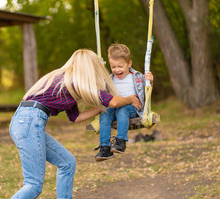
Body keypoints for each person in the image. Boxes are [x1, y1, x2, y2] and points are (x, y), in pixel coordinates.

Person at [9, 49, 141, 199]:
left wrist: (100, 108)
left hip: (25, 121)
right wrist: (130, 99)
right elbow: (114, 101)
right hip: (30, 123)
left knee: (67, 163)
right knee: (33, 185)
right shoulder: (76, 82)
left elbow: (75, 117)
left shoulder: (67, 83)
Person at [95, 43, 154, 162]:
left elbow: (147, 90)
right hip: (114, 107)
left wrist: (151, 82)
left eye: (120, 66)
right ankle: (105, 148)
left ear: (129, 64)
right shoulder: (110, 79)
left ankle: (121, 141)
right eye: (113, 67)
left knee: (122, 110)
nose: (117, 70)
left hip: (131, 109)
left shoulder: (137, 77)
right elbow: (104, 95)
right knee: (105, 114)